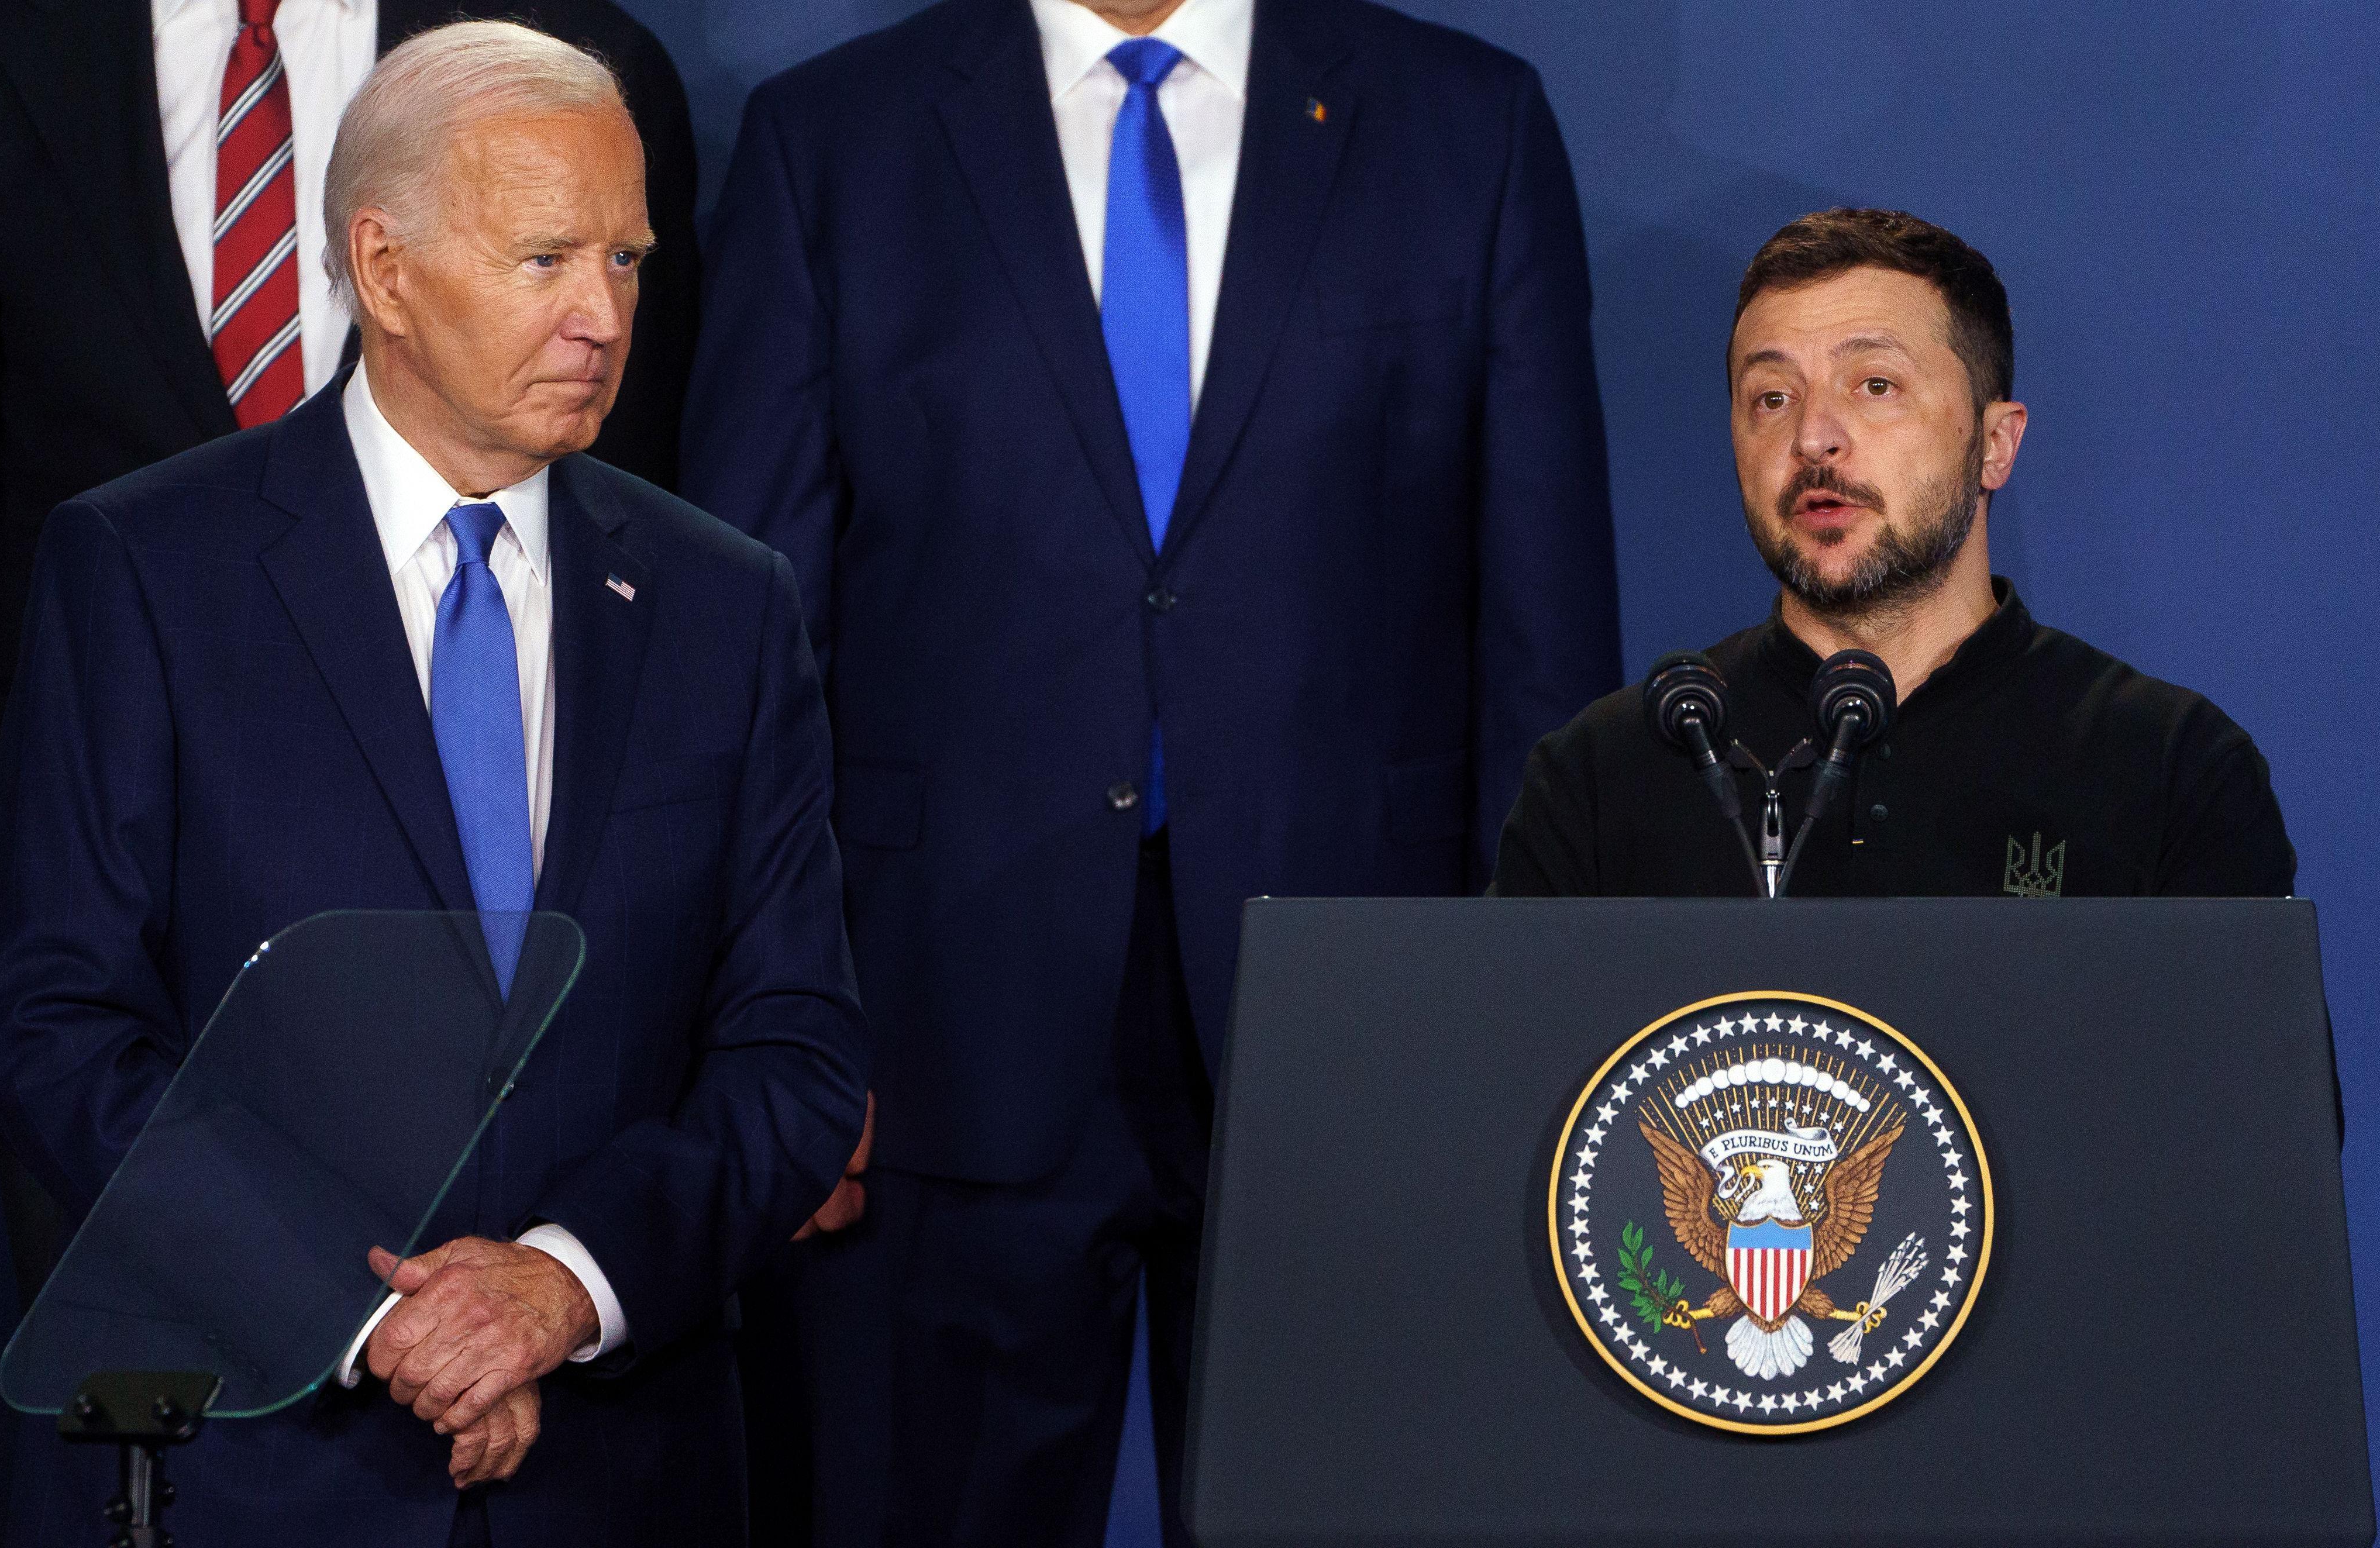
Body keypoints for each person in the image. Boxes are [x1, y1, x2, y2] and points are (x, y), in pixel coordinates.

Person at [682, 0, 1620, 1541]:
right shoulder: (834, 141)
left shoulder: (1468, 125)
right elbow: (752, 642)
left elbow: (1542, 641)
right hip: (933, 1034)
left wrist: (1513, 1032)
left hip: (1360, 1032)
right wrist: (775, 1034)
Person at [0, 25, 866, 1543]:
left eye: (629, 261)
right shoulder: (145, 572)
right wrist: (375, 1314)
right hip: (272, 1469)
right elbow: (61, 1022)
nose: (602, 316)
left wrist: (560, 1287)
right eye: (544, 261)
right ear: (383, 272)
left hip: (624, 1474)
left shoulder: (728, 604)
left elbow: (793, 1050)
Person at [0, 0, 704, 1299]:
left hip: (522, 958)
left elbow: (623, 536)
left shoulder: (573, 61)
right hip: (130, 973)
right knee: (170, 1474)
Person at [1493, 208, 2296, 899]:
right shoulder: (1605, 775)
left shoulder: (2168, 768)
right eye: (1770, 398)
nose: (1811, 437)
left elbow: (2245, 1079)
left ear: (1993, 443)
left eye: (1874, 385)